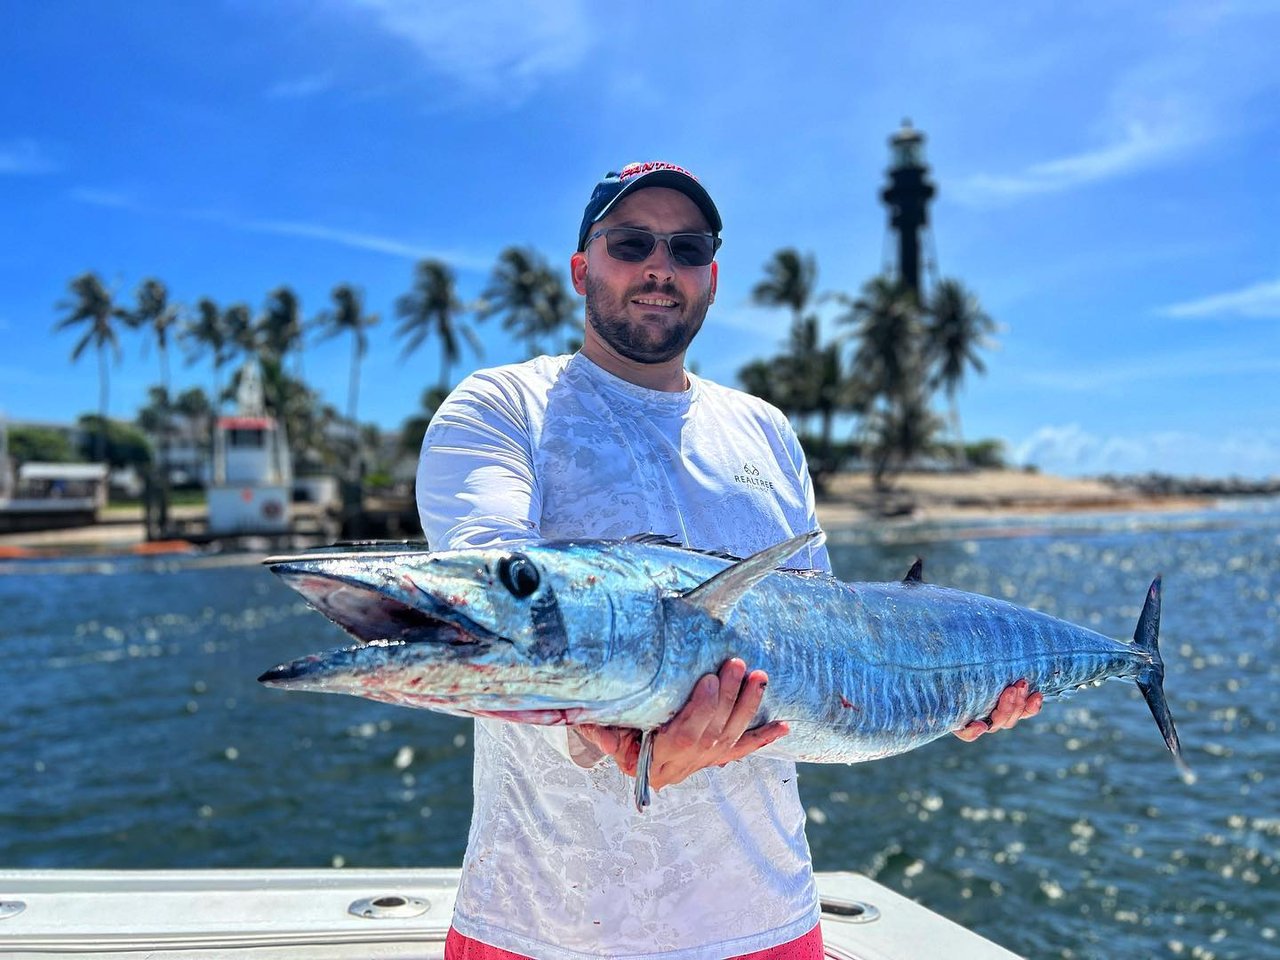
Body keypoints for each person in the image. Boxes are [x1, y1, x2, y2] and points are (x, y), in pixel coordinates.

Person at [416, 160, 1042, 960]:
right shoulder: (503, 407)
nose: (658, 266)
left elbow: (827, 650)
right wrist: (621, 741)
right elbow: (501, 616)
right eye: (630, 242)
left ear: (712, 278)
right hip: (543, 927)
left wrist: (947, 696)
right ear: (581, 269)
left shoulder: (767, 430)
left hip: (767, 918)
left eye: (687, 248)